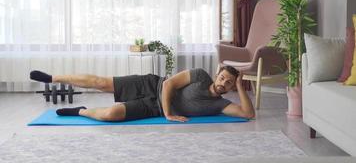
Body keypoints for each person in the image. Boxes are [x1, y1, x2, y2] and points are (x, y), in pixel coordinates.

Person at [30, 66, 255, 122]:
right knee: (101, 82)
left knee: (110, 114)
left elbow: (248, 114)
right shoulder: (199, 75)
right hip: (152, 86)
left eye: (229, 83)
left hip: (153, 107)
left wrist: (242, 84)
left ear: (232, 87)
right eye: (223, 78)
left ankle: (80, 111)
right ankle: (53, 78)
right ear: (217, 75)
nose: (224, 83)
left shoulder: (221, 104)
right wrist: (168, 114)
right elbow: (168, 86)